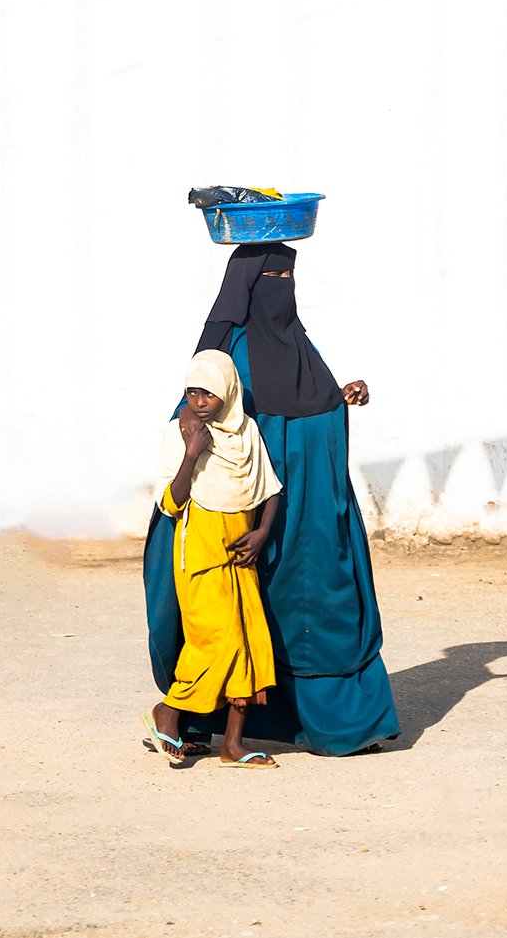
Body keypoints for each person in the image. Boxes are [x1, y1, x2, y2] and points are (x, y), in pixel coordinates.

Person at [144, 242, 401, 756]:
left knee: (310, 608)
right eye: (271, 276)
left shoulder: (298, 348)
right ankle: (188, 719)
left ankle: (337, 724)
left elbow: (313, 408)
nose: (282, 287)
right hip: (226, 520)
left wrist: (341, 397)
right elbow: (195, 418)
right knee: (223, 621)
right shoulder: (224, 359)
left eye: (289, 276)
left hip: (295, 512)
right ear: (246, 287)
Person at [142, 350, 284, 770]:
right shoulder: (180, 432)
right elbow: (171, 503)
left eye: (209, 392)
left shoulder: (247, 433)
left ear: (228, 392)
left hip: (241, 554)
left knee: (250, 644)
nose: (200, 401)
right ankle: (168, 711)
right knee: (216, 641)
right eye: (192, 392)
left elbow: (270, 490)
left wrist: (262, 533)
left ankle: (233, 745)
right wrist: (192, 452)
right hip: (200, 554)